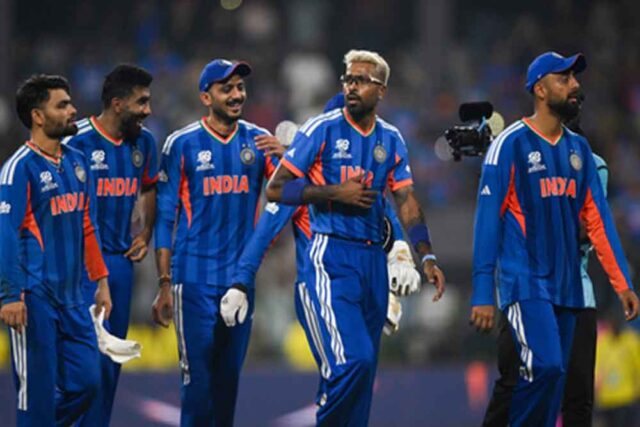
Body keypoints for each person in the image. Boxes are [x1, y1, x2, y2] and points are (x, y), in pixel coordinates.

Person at [265, 49, 445, 426]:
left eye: (362, 81)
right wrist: (334, 193)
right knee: (353, 361)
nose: (352, 86)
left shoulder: (391, 138)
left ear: (382, 90)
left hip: (372, 263)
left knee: (363, 379)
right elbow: (276, 189)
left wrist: (425, 255)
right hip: (331, 255)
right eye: (348, 79)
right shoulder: (321, 129)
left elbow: (406, 201)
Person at [470, 51, 639, 427]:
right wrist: (482, 292)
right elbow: (487, 223)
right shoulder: (510, 144)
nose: (575, 85)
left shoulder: (579, 151)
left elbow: (599, 223)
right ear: (540, 89)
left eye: (575, 78)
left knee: (557, 379)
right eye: (564, 79)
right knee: (544, 367)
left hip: (569, 289)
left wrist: (622, 283)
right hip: (525, 282)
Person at [150, 58, 280, 426]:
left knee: (227, 384)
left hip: (240, 282)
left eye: (240, 87)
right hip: (192, 281)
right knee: (197, 385)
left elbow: (288, 194)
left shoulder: (260, 140)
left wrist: (287, 158)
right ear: (206, 97)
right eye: (227, 89)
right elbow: (165, 217)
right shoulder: (181, 143)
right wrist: (163, 283)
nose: (237, 95)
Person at [0, 74, 112, 426]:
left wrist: (101, 281)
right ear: (37, 116)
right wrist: (9, 296)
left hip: (74, 298)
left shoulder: (78, 162)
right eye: (62, 105)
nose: (72, 110)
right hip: (35, 299)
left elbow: (88, 224)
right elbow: (5, 233)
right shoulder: (19, 168)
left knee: (89, 384)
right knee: (35, 394)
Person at [482, 143, 608, 426]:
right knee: (512, 384)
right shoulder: (512, 158)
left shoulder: (592, 164)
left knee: (577, 396)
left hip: (576, 296)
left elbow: (588, 227)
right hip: (522, 292)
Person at [64, 64, 158, 427]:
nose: (148, 110)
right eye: (141, 102)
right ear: (118, 104)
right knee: (81, 367)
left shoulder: (144, 143)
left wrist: (145, 233)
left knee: (108, 368)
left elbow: (149, 187)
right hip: (80, 268)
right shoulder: (76, 140)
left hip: (120, 264)